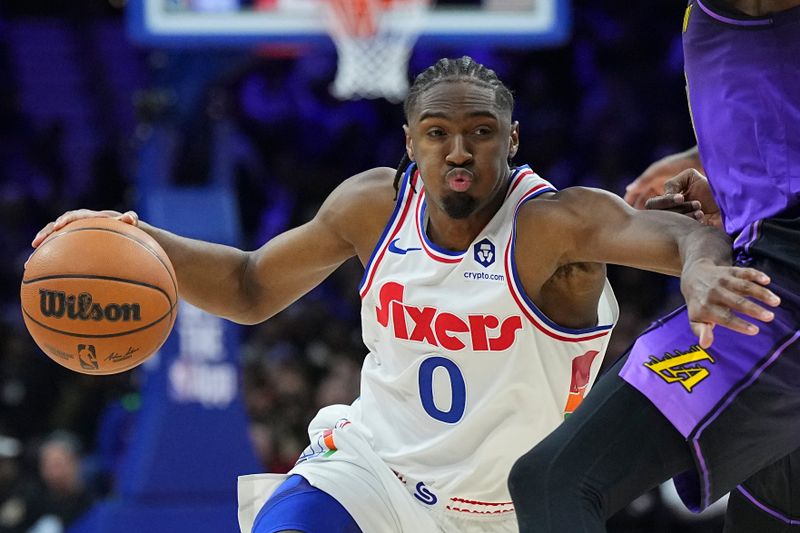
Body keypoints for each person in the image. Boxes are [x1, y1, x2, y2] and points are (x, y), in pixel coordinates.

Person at [32, 57, 775, 533]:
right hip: (371, 472)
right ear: (411, 139)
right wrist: (135, 238)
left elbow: (672, 234)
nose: (459, 150)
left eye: (481, 132)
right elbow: (251, 284)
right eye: (439, 131)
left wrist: (701, 265)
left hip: (511, 510)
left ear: (511, 141)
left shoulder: (553, 223)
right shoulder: (370, 207)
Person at [508, 1, 800, 531]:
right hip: (776, 259)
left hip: (783, 286)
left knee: (554, 480)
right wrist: (726, 167)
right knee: (768, 520)